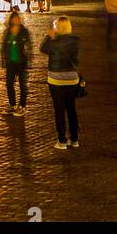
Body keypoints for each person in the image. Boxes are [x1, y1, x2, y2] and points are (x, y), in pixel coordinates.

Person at [40, 15, 81, 149]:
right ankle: (74, 139)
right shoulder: (76, 41)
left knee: (59, 110)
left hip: (56, 79)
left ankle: (62, 140)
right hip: (72, 79)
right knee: (71, 109)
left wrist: (49, 35)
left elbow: (42, 48)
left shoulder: (53, 42)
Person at [1, 9, 32, 115]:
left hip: (21, 62)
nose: (17, 20)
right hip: (11, 62)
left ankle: (22, 106)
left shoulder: (24, 31)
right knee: (9, 84)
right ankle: (13, 105)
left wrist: (29, 59)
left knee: (23, 85)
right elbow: (4, 45)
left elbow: (29, 46)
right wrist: (3, 58)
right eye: (15, 18)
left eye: (18, 18)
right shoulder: (8, 31)